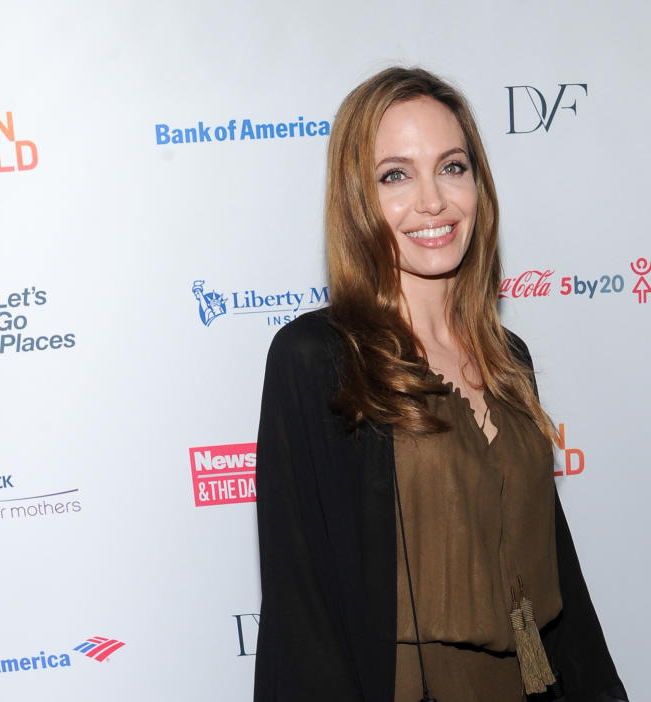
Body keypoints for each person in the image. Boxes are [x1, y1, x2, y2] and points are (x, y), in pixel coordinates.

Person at [254, 66, 628, 702]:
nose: (432, 201)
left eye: (452, 167)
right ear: (357, 197)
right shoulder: (320, 358)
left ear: (477, 184)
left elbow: (553, 570)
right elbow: (302, 605)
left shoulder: (509, 358)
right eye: (395, 175)